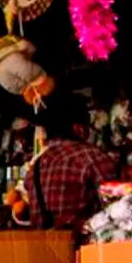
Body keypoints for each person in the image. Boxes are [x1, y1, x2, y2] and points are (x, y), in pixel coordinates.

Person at [26, 93, 117, 242]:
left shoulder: (34, 168)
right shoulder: (91, 157)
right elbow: (118, 208)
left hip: (46, 251)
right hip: (87, 250)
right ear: (78, 128)